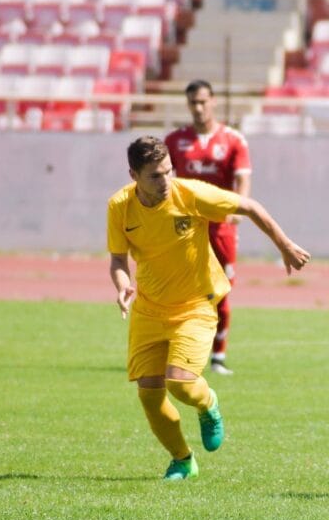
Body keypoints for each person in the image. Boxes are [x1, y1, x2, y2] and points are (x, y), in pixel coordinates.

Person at [108, 136, 310, 481]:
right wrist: (123, 284)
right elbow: (117, 259)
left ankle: (208, 404)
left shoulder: (191, 194)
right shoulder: (119, 206)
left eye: (169, 171)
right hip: (149, 310)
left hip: (195, 306)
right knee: (149, 396)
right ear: (133, 176)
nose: (166, 181)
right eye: (155, 175)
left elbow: (249, 207)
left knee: (180, 384)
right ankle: (182, 461)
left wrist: (285, 245)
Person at [166, 79, 250, 375]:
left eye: (203, 102)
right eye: (193, 102)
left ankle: (218, 356)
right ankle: (182, 351)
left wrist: (240, 206)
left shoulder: (233, 140)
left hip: (221, 227)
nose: (199, 108)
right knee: (182, 290)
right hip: (186, 226)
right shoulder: (175, 140)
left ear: (213, 101)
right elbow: (165, 179)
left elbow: (243, 178)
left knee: (220, 291)